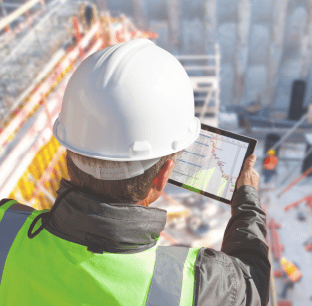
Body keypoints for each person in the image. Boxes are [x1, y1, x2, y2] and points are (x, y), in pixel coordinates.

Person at [0, 39, 270, 305]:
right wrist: (246, 199)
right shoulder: (195, 286)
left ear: (69, 149)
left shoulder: (5, 226)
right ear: (163, 174)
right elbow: (253, 282)